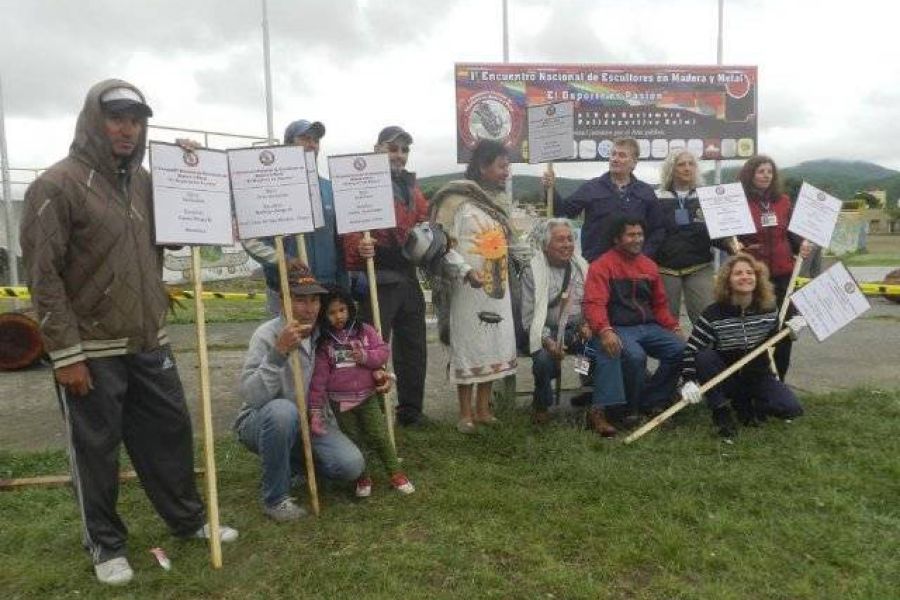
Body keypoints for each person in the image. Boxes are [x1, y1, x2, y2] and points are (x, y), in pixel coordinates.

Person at [19, 79, 237, 586]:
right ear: (93, 120)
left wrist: (190, 173)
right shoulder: (56, 185)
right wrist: (65, 354)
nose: (127, 129)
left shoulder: (144, 182)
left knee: (170, 433)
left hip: (148, 340)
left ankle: (187, 520)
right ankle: (106, 544)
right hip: (90, 349)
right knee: (96, 449)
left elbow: (182, 234)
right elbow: (42, 278)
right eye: (117, 118)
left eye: (137, 120)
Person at [235, 261, 390, 520]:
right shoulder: (266, 335)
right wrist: (278, 353)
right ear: (283, 300)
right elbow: (252, 397)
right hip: (264, 421)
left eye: (315, 301)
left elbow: (353, 367)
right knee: (283, 413)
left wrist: (380, 376)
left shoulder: (328, 334)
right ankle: (276, 498)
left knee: (351, 466)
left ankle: (296, 465)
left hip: (314, 422)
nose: (310, 309)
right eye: (300, 300)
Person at [341, 126, 429, 427]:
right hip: (377, 276)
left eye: (404, 150)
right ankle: (372, 413)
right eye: (393, 149)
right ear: (377, 149)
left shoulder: (413, 188)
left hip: (408, 274)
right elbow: (350, 227)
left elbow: (422, 222)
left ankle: (411, 411)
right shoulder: (359, 182)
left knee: (414, 346)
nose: (400, 155)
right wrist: (358, 246)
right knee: (373, 349)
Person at [431, 139, 518, 434]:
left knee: (493, 340)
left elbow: (510, 240)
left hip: (497, 283)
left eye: (508, 166)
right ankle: (465, 413)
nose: (506, 172)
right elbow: (442, 244)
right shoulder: (455, 199)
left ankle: (483, 410)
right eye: (501, 166)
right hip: (466, 287)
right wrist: (466, 270)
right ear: (483, 166)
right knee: (469, 342)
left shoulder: (496, 202)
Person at [681, 254, 806, 438]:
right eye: (738, 273)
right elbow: (692, 349)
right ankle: (721, 411)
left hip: (757, 374)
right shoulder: (712, 314)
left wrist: (790, 334)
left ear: (757, 278)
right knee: (704, 356)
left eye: (750, 273)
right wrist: (689, 380)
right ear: (727, 281)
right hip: (725, 377)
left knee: (791, 409)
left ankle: (747, 403)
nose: (745, 277)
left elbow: (775, 341)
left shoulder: (768, 309)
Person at [582, 217, 686, 436]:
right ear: (616, 238)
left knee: (680, 350)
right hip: (619, 327)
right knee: (635, 356)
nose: (637, 239)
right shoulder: (601, 266)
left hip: (649, 326)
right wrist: (605, 330)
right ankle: (629, 410)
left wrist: (673, 326)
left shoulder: (649, 265)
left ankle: (653, 399)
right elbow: (594, 303)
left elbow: (659, 304)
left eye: (640, 234)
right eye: (631, 235)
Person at [308, 287, 415, 497]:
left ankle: (396, 473)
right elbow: (319, 379)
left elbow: (383, 352)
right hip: (340, 403)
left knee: (379, 435)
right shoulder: (325, 344)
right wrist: (314, 409)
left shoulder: (364, 331)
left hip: (367, 398)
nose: (338, 316)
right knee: (354, 439)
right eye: (332, 312)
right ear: (324, 315)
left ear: (350, 309)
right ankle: (362, 477)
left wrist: (365, 357)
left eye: (342, 310)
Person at [243, 119, 345, 314]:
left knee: (325, 345)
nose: (311, 144)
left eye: (315, 140)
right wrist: (282, 259)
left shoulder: (330, 188)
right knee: (287, 343)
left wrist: (343, 284)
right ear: (287, 144)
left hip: (326, 288)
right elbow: (250, 239)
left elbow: (339, 242)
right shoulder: (267, 188)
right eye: (305, 138)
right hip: (287, 288)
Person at [736, 155, 813, 380]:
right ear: (750, 174)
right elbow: (725, 235)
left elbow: (790, 231)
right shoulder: (738, 202)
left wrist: (801, 244)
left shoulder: (783, 201)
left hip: (783, 273)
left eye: (769, 171)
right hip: (753, 275)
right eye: (760, 171)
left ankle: (779, 381)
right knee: (756, 330)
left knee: (784, 329)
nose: (766, 175)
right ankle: (755, 382)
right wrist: (734, 244)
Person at [544, 138, 665, 262]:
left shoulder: (646, 192)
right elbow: (563, 211)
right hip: (597, 265)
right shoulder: (591, 188)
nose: (615, 159)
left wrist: (644, 256)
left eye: (622, 155)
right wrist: (550, 189)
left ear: (634, 163)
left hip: (633, 268)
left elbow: (658, 230)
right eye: (613, 154)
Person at [520, 218, 590, 424]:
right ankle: (542, 403)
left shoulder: (582, 266)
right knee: (543, 360)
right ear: (545, 245)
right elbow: (528, 317)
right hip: (545, 331)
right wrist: (548, 341)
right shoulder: (532, 271)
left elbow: (592, 302)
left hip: (576, 329)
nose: (568, 244)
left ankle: (590, 397)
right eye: (560, 240)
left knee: (592, 350)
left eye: (570, 239)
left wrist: (588, 324)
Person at [656, 150, 732, 325]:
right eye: (681, 164)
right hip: (665, 269)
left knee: (707, 317)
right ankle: (671, 352)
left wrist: (730, 245)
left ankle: (705, 353)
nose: (687, 168)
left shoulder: (707, 197)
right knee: (666, 321)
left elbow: (716, 232)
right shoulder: (656, 197)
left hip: (699, 266)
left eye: (691, 164)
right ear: (671, 169)